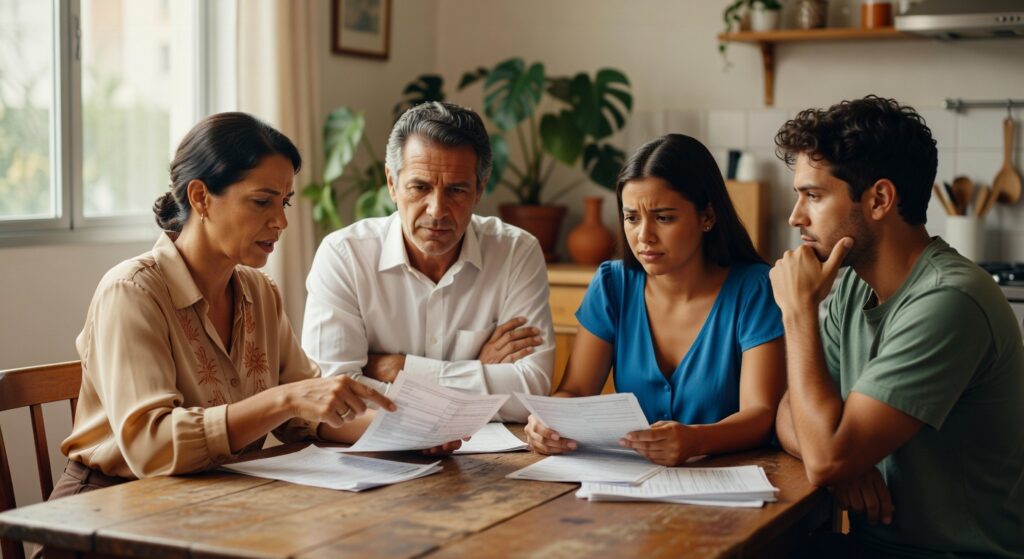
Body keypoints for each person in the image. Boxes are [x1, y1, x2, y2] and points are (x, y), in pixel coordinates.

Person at [57, 112, 410, 500]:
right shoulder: (131, 292)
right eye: (262, 202)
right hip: (107, 508)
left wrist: (403, 434)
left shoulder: (260, 292)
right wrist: (284, 398)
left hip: (211, 500)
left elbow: (305, 415)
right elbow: (151, 448)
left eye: (285, 203)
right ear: (200, 197)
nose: (280, 222)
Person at [770, 96, 1024, 557]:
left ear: (879, 199)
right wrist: (844, 461)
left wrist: (798, 312)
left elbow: (825, 454)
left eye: (813, 195)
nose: (796, 217)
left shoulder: (949, 299)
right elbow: (791, 412)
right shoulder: (852, 285)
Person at [523, 134, 786, 466]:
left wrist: (695, 440)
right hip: (629, 484)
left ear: (707, 216)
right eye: (632, 217)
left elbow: (761, 414)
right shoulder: (612, 284)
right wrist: (550, 422)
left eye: (664, 218)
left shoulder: (755, 289)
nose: (643, 235)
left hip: (730, 482)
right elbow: (575, 391)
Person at [302, 101, 554, 422]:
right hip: (374, 457)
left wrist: (400, 368)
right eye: (420, 187)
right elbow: (333, 393)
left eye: (456, 190)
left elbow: (531, 391)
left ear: (480, 189)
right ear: (392, 183)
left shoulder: (516, 252)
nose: (436, 210)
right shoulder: (344, 256)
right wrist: (478, 371)